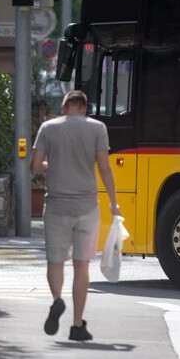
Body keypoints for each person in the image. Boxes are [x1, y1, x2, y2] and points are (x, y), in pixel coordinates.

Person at [30, 90, 120, 341]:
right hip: (87, 207)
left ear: (64, 106)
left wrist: (52, 165)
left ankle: (58, 300)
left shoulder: (48, 127)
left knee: (55, 261)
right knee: (82, 266)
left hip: (57, 205)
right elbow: (104, 167)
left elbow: (35, 167)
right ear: (84, 108)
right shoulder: (98, 128)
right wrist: (114, 202)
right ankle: (77, 325)